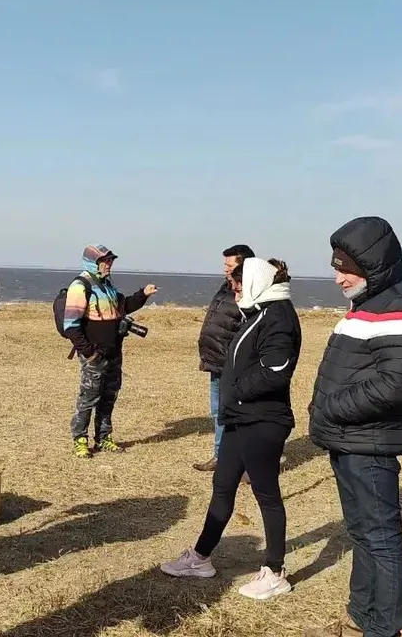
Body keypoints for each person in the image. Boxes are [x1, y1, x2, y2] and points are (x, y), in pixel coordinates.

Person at [304, 217, 402, 637]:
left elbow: (396, 385)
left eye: (344, 267)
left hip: (369, 443)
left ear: (372, 265)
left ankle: (385, 628)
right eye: (335, 266)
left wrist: (330, 408)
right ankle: (362, 613)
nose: (338, 276)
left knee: (380, 539)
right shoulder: (373, 301)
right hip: (351, 438)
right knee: (361, 532)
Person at [162, 257, 301, 601]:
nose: (234, 289)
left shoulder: (279, 318)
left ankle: (275, 571)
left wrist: (235, 389)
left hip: (263, 421)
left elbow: (275, 371)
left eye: (239, 284)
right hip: (241, 419)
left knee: (266, 494)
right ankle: (201, 558)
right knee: (222, 485)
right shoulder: (257, 313)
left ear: (255, 282)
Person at [62, 244, 157, 458]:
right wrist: (89, 353)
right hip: (95, 356)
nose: (109, 264)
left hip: (114, 353)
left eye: (111, 260)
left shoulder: (108, 286)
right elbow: (71, 326)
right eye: (105, 261)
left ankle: (104, 438)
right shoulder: (81, 286)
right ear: (93, 262)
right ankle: (80, 439)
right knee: (88, 398)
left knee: (108, 398)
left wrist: (143, 294)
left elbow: (123, 307)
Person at [194, 244, 255, 472]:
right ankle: (220, 456)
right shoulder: (226, 287)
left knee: (237, 414)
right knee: (218, 412)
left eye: (230, 265)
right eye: (225, 265)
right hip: (216, 360)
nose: (225, 269)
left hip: (234, 364)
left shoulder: (249, 291)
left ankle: (245, 463)